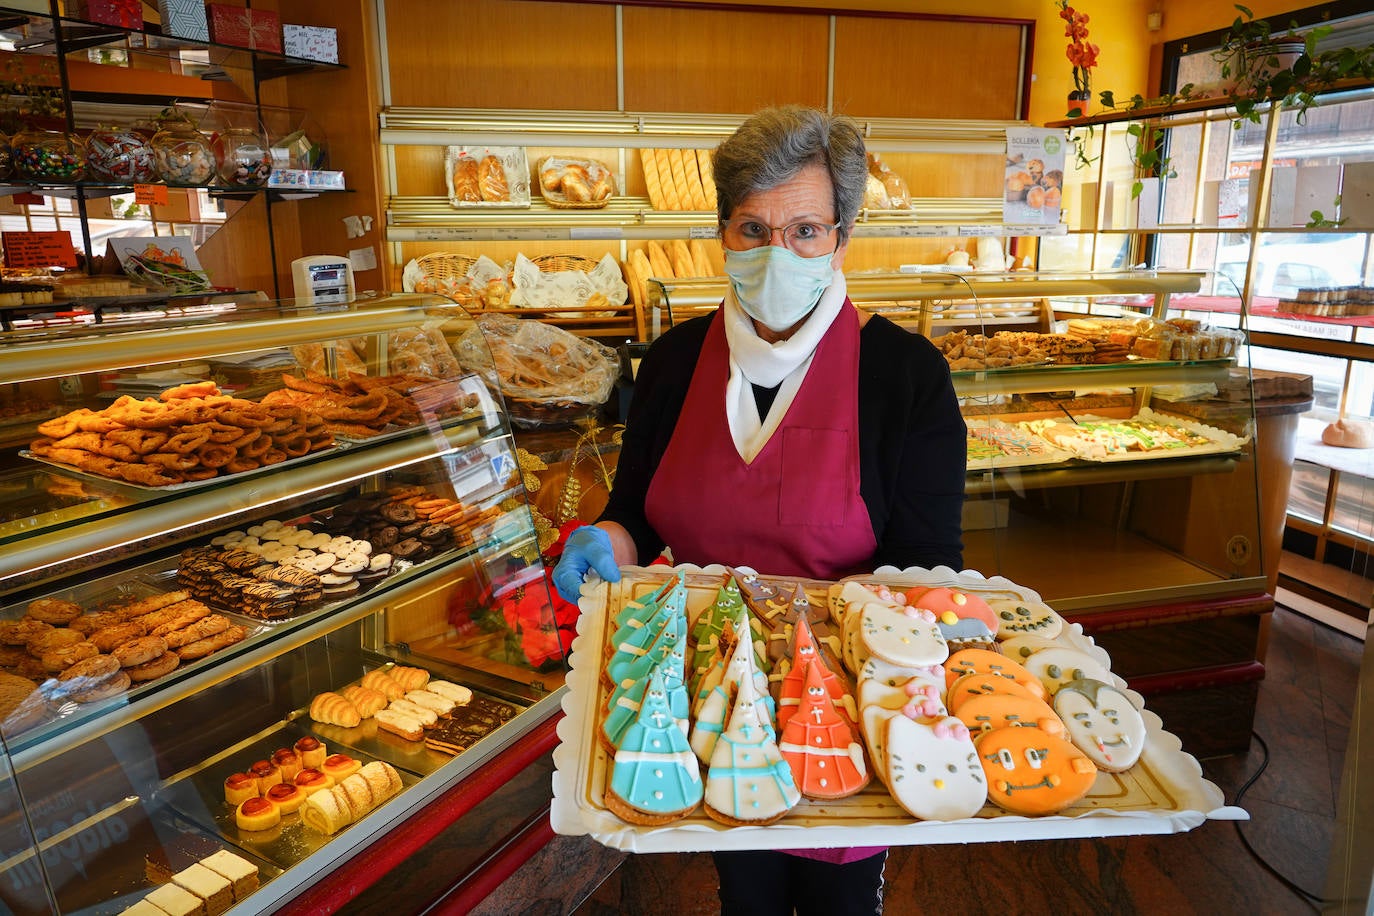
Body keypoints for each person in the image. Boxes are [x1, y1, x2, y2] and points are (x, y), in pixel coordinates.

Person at [553, 104, 966, 916]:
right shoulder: (673, 362)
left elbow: (927, 568)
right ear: (723, 233)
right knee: (742, 890)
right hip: (700, 693)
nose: (779, 252)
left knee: (839, 899)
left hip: (838, 702)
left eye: (806, 229)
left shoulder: (905, 375)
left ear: (843, 235)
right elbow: (640, 512)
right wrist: (608, 538)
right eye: (753, 228)